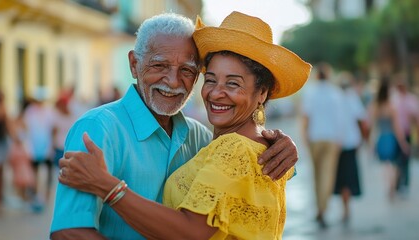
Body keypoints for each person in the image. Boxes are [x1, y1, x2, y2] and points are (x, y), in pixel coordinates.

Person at [54, 11, 311, 239]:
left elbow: (242, 180)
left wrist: (281, 146)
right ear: (134, 64)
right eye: (160, 65)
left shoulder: (201, 136)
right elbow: (69, 232)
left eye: (187, 71)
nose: (173, 81)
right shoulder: (99, 128)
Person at [301, 63, 344, 228]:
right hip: (331, 138)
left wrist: (305, 138)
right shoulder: (336, 93)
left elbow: (306, 117)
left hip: (315, 138)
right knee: (327, 175)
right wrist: (340, 139)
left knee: (316, 175)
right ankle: (323, 209)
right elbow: (340, 119)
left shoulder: (310, 92)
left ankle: (319, 208)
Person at [333, 72, 368, 223]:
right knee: (348, 177)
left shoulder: (334, 98)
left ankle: (345, 207)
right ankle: (346, 208)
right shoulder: (352, 97)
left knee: (341, 177)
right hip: (350, 143)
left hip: (336, 143)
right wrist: (364, 138)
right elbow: (362, 119)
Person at [367, 77, 409, 201]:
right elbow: (397, 128)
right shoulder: (391, 106)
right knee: (394, 164)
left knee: (386, 165)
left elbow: (372, 126)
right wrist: (403, 143)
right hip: (391, 137)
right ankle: (392, 185)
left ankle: (388, 186)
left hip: (381, 137)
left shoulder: (375, 106)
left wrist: (371, 142)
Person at [390, 73, 419, 197]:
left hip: (406, 132)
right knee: (396, 160)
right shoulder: (394, 99)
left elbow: (416, 117)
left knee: (404, 159)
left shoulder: (410, 99)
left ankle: (404, 184)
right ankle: (396, 183)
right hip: (394, 134)